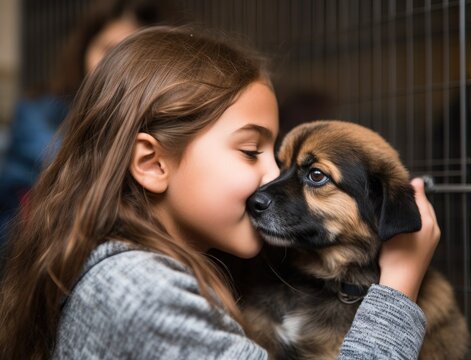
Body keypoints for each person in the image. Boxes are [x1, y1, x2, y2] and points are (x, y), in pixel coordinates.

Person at [0, 27, 440, 359]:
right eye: (252, 151)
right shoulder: (143, 291)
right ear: (153, 163)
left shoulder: (129, 266)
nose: (271, 176)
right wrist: (399, 289)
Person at [0, 0, 180, 243]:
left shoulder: (160, 123)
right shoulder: (40, 112)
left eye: (132, 55)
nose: (116, 66)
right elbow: (76, 173)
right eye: (108, 50)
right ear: (85, 49)